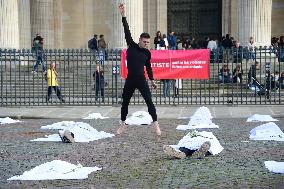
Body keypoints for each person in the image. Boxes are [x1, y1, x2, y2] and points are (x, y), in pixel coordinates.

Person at [116, 3, 161, 136]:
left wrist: (152, 81)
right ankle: (123, 124)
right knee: (125, 102)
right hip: (130, 79)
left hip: (141, 80)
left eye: (148, 42)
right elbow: (126, 29)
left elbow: (148, 67)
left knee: (149, 101)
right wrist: (123, 15)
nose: (146, 44)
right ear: (139, 40)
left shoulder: (147, 53)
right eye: (144, 42)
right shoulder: (132, 45)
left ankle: (156, 125)